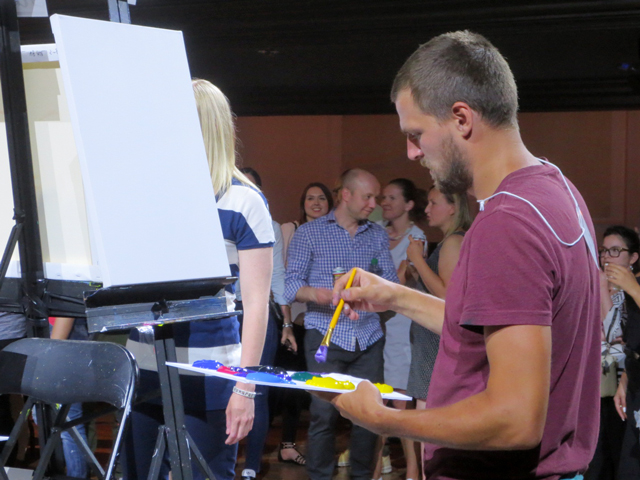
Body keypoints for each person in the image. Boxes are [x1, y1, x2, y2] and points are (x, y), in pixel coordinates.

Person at [323, 31, 600, 480]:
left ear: (461, 118)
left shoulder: (507, 223)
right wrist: (397, 297)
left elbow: (514, 420)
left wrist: (383, 419)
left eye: (416, 135)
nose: (412, 152)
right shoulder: (557, 188)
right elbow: (494, 330)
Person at [123, 79, 274, 480]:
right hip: (144, 366)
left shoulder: (243, 202)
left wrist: (245, 388)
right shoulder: (151, 196)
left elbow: (256, 305)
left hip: (210, 372)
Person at [284, 168, 398, 480]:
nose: (374, 204)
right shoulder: (309, 233)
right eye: (368, 197)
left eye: (376, 197)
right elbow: (290, 285)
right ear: (346, 195)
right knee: (323, 415)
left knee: (368, 415)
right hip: (325, 336)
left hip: (368, 336)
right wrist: (321, 294)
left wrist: (377, 292)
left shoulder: (376, 235)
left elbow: (391, 283)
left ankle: (362, 476)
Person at [371, 178, 427, 480]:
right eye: (384, 197)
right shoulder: (377, 232)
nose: (385, 203)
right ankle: (376, 466)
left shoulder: (416, 238)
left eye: (392, 198)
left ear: (409, 204)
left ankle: (413, 470)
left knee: (401, 398)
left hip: (401, 324)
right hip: (374, 323)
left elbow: (402, 281)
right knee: (376, 396)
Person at [276, 181, 334, 466]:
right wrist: (288, 319)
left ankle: (320, 449)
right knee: (292, 385)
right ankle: (286, 444)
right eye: (310, 198)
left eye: (322, 198)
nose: (316, 203)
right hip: (294, 319)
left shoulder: (335, 234)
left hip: (326, 320)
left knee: (322, 387)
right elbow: (281, 276)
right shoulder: (291, 229)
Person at [402, 186, 471, 409]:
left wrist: (418, 260)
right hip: (431, 338)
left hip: (436, 340)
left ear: (452, 208)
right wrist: (418, 271)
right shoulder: (450, 241)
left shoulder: (453, 242)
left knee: (428, 412)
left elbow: (446, 295)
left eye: (434, 203)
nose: (427, 209)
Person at [602, 227, 640, 480]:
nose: (607, 257)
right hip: (630, 379)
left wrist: (632, 288)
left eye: (615, 251)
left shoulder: (632, 287)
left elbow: (612, 333)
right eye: (604, 251)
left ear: (633, 257)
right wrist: (625, 382)